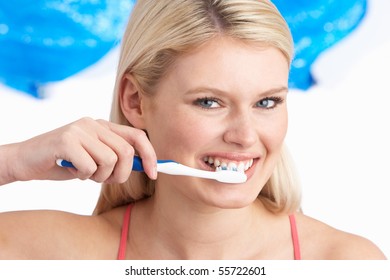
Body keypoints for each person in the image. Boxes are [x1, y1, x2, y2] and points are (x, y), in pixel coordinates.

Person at [0, 0, 386, 260]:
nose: (246, 136)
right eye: (209, 102)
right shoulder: (42, 251)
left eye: (267, 102)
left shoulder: (347, 262)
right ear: (135, 101)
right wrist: (14, 161)